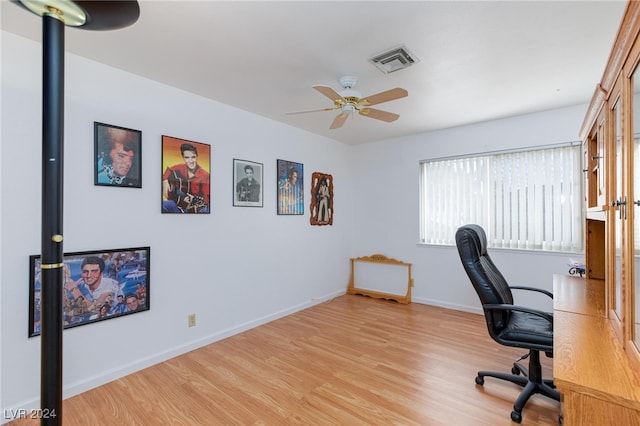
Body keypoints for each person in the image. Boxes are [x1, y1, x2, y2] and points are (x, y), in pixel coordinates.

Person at [162, 143, 210, 213]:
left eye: (193, 157)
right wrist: (165, 181)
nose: (190, 161)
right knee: (162, 205)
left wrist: (193, 201)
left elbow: (206, 199)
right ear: (183, 158)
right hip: (177, 205)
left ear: (197, 157)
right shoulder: (180, 167)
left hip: (192, 209)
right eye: (187, 157)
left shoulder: (205, 176)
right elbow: (168, 170)